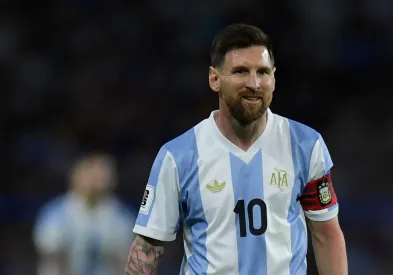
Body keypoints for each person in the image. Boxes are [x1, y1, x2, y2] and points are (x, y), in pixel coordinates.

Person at [124, 23, 348, 275]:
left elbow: (326, 235)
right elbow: (148, 246)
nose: (254, 83)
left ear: (274, 78)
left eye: (262, 72)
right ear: (214, 78)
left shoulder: (306, 145)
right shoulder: (178, 156)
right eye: (241, 71)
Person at [33, 153, 135, 275]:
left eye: (104, 175)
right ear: (76, 175)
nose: (96, 179)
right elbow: (52, 258)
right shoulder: (55, 213)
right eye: (91, 173)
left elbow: (123, 262)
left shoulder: (122, 216)